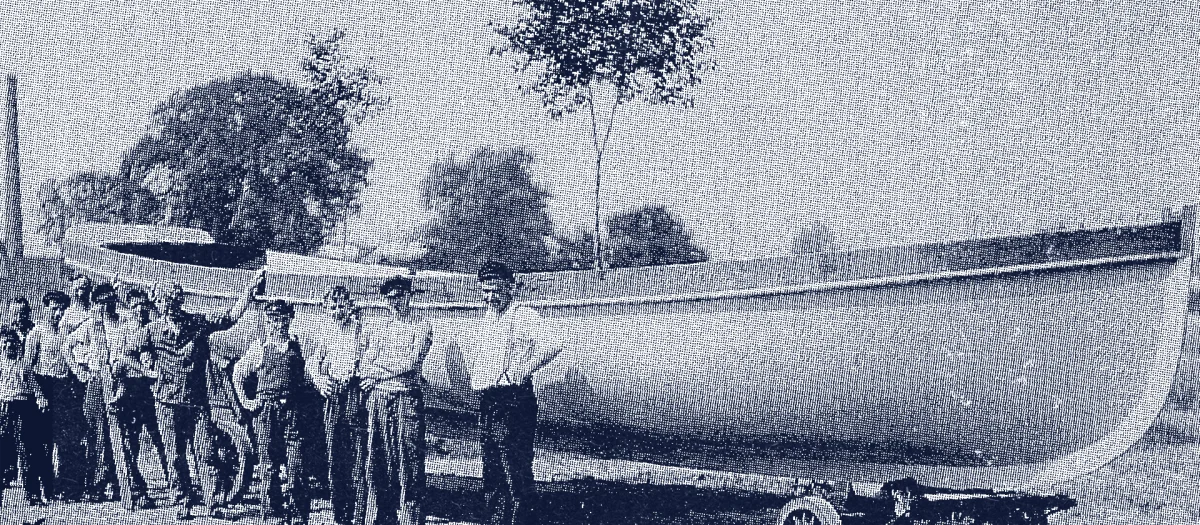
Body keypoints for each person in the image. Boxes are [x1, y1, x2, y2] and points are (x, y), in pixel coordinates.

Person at [449, 262, 565, 525]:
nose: (490, 297)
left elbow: (556, 340)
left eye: (496, 291)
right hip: (490, 400)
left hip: (513, 399)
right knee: (492, 467)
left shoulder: (522, 314)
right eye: (485, 291)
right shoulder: (489, 317)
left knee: (515, 468)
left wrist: (523, 369)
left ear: (510, 288)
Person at [146, 270, 266, 520]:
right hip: (166, 403)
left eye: (174, 303)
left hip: (196, 404)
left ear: (179, 302)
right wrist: (148, 370)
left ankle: (214, 503)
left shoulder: (196, 324)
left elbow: (229, 318)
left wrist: (249, 291)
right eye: (165, 304)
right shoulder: (151, 331)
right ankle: (183, 502)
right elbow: (126, 353)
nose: (170, 309)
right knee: (175, 455)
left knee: (206, 452)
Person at [358, 274, 432, 525]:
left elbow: (412, 362)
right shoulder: (379, 326)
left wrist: (379, 372)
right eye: (390, 298)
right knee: (377, 456)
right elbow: (365, 361)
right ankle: (380, 517)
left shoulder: (421, 325)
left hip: (406, 398)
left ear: (409, 296)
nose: (395, 302)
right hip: (380, 398)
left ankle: (410, 518)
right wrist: (379, 373)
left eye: (400, 296)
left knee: (409, 459)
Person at [234, 300, 310, 525]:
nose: (279, 324)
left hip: (293, 411)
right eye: (274, 320)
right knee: (268, 465)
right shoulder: (260, 346)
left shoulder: (298, 345)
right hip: (267, 412)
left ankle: (297, 516)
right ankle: (272, 515)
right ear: (267, 322)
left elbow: (307, 375)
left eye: (283, 318)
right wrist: (247, 403)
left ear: (290, 319)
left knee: (296, 465)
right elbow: (238, 374)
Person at [304, 285, 369, 525]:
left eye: (341, 306)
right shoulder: (324, 332)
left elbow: (371, 358)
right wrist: (320, 381)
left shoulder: (361, 330)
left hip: (353, 394)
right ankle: (341, 517)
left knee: (357, 458)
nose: (337, 311)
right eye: (332, 307)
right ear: (326, 308)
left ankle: (359, 517)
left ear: (349, 306)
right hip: (333, 394)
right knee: (335, 457)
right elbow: (311, 362)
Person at [106, 286, 167, 511]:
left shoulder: (154, 327)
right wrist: (143, 369)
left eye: (143, 304)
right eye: (134, 306)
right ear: (128, 308)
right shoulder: (124, 330)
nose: (139, 309)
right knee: (131, 441)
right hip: (130, 388)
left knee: (161, 437)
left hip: (151, 390)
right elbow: (120, 360)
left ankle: (175, 484)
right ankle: (135, 489)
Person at [63, 282, 121, 502]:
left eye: (110, 301)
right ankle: (94, 485)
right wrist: (80, 371)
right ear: (95, 304)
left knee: (118, 432)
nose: (107, 307)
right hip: (96, 382)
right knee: (96, 435)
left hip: (116, 381)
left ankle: (117, 483)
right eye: (102, 303)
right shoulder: (90, 326)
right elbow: (66, 346)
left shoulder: (120, 324)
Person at [23, 290, 84, 501]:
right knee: (40, 442)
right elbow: (27, 368)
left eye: (61, 309)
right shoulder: (36, 332)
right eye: (54, 308)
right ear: (45, 308)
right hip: (42, 386)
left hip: (64, 387)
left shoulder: (69, 332)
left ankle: (66, 489)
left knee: (67, 440)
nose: (58, 313)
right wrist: (39, 394)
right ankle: (38, 491)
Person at [0, 326, 50, 506]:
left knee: (27, 451)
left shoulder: (24, 364)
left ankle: (33, 495)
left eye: (12, 342)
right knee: (2, 451)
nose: (9, 346)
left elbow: (35, 386)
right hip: (4, 407)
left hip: (24, 406)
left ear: (18, 345)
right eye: (5, 343)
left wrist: (41, 398)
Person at [207, 329, 256, 512]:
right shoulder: (213, 364)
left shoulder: (228, 364)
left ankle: (230, 491)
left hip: (230, 409)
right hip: (219, 409)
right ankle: (222, 493)